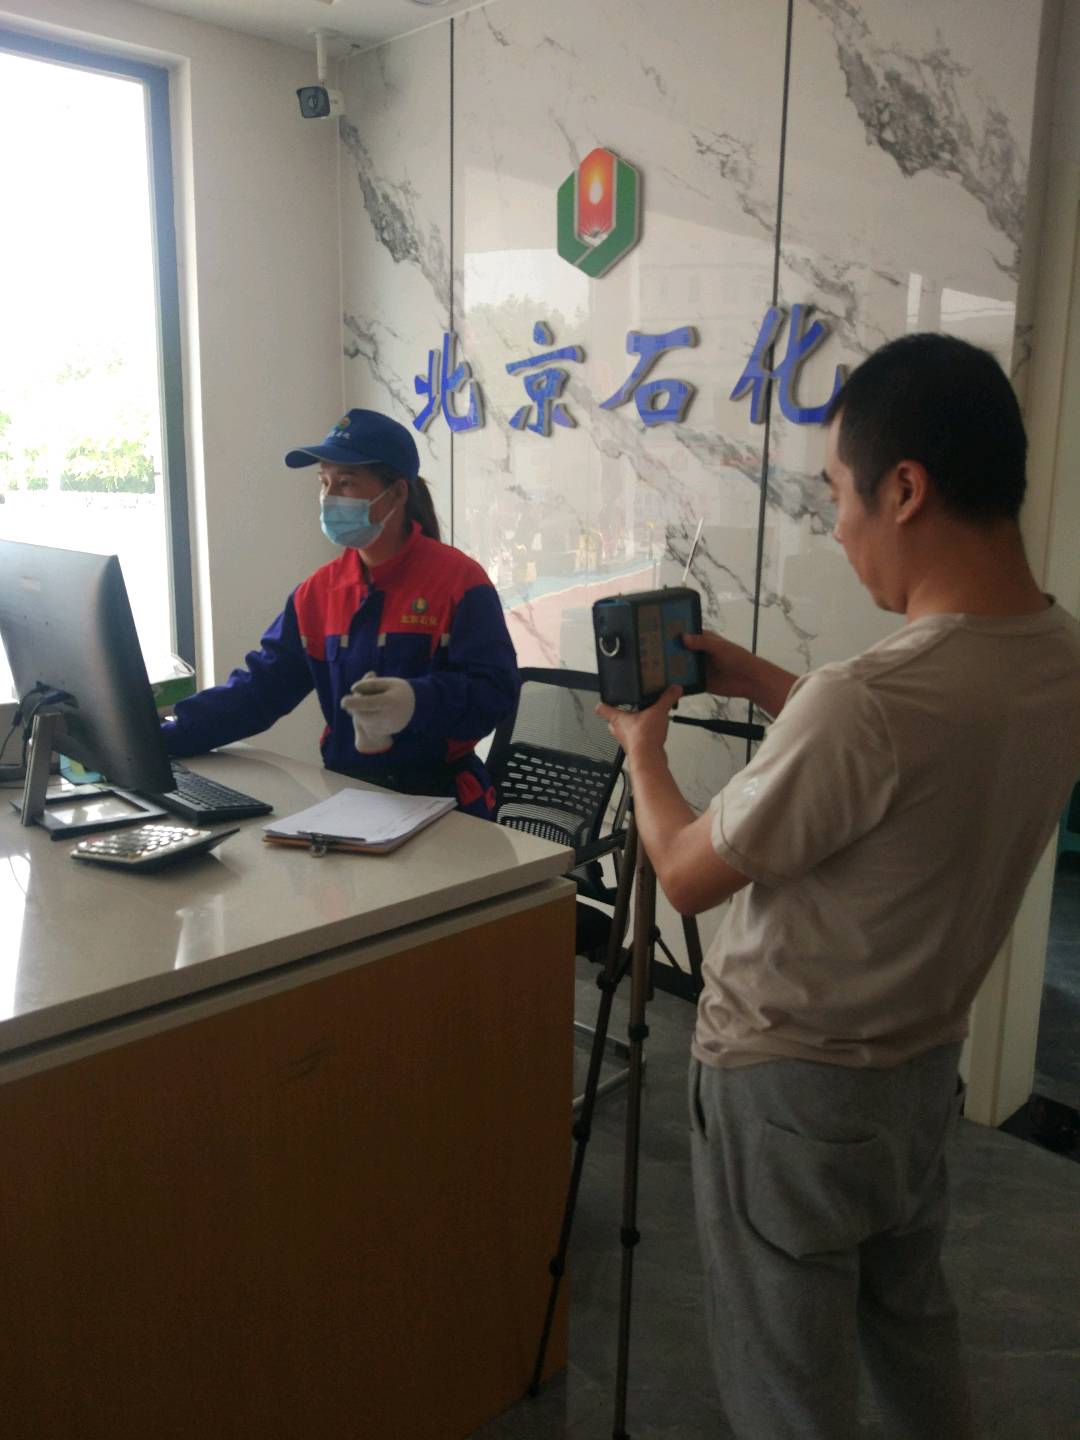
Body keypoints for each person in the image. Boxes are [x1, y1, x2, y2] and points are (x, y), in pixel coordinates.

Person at [597, 333, 1080, 1439]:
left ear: (904, 490)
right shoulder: (1058, 657)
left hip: (789, 1090)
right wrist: (769, 682)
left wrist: (644, 753)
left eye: (837, 494)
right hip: (917, 1071)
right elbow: (911, 758)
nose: (837, 524)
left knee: (788, 1386)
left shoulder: (866, 701)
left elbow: (686, 875)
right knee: (911, 1329)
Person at [162, 408, 519, 818]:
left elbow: (497, 693)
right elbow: (258, 691)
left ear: (397, 494)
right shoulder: (317, 593)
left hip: (443, 801)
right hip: (348, 795)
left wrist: (417, 701)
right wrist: (163, 737)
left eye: (346, 482)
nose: (330, 496)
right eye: (324, 482)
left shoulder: (459, 582)